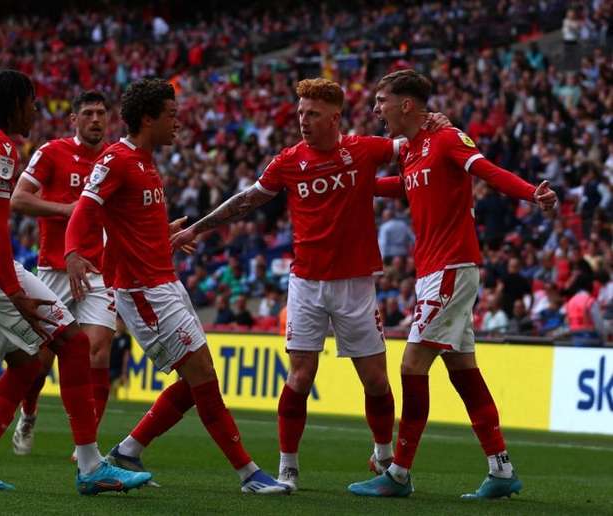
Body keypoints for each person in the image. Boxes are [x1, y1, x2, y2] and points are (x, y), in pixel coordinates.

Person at [172, 78, 450, 490]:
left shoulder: (363, 149)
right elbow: (247, 199)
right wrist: (197, 228)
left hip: (355, 285)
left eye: (313, 113)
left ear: (334, 117)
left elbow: (413, 141)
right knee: (300, 376)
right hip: (306, 284)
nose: (303, 121)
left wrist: (436, 123)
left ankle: (384, 455)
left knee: (375, 380)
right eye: (301, 113)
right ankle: (288, 467)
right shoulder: (288, 161)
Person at [64, 77, 289, 494]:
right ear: (147, 119)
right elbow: (84, 210)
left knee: (195, 381)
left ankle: (129, 450)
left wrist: (159, 235)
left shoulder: (146, 160)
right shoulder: (116, 160)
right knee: (203, 376)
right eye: (171, 115)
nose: (178, 123)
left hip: (166, 281)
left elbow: (126, 221)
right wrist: (74, 251)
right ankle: (248, 474)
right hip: (143, 292)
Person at [0, 70, 151, 494]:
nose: (35, 110)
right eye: (32, 101)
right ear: (15, 102)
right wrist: (13, 292)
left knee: (29, 363)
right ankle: (91, 468)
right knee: (71, 345)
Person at [348, 69, 557, 499]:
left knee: (410, 366)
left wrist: (530, 194)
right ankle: (501, 470)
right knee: (464, 372)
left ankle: (399, 474)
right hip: (433, 271)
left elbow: (486, 170)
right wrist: (354, 184)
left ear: (406, 104)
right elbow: (402, 187)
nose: (376, 109)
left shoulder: (447, 138)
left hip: (452, 269)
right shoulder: (411, 150)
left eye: (382, 100)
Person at [8, 90, 116, 459]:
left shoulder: (116, 158)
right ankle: (29, 412)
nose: (96, 120)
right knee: (40, 360)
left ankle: (87, 446)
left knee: (98, 350)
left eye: (102, 113)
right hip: (54, 269)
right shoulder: (52, 152)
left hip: (99, 271)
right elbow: (18, 199)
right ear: (74, 120)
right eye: (88, 113)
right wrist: (67, 210)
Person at [109, 317, 132, 397]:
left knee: (115, 388)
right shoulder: (110, 335)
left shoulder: (126, 338)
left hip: (118, 369)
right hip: (108, 366)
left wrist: (124, 371)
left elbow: (126, 355)